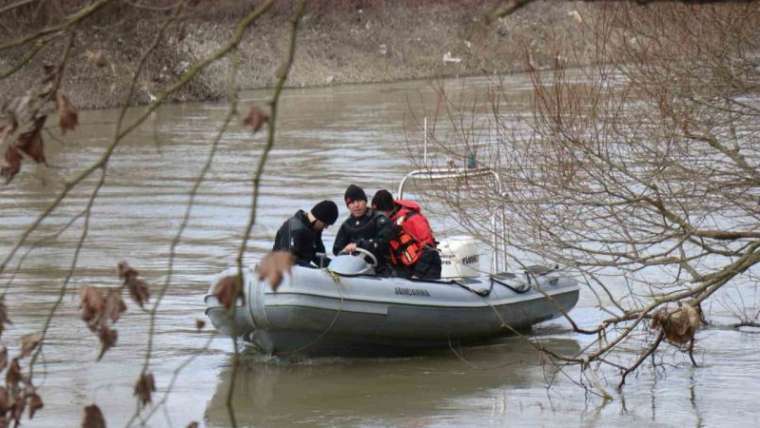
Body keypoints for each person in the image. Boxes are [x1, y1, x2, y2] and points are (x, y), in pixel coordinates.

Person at [371, 189, 441, 280]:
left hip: (427, 267)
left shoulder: (414, 219)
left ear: (388, 210)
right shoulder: (386, 224)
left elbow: (429, 249)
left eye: (380, 214)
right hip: (405, 268)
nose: (379, 218)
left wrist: (417, 275)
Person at [332, 184, 394, 272]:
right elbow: (337, 249)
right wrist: (346, 250)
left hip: (379, 268)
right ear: (348, 206)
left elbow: (384, 241)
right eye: (352, 203)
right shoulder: (346, 225)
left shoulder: (379, 220)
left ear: (365, 201)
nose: (356, 205)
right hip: (351, 268)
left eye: (359, 201)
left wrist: (359, 245)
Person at [272, 200, 339, 268]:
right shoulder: (294, 227)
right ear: (318, 218)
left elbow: (318, 256)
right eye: (325, 224)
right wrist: (314, 270)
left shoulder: (314, 230)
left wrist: (335, 266)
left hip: (302, 271)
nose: (326, 227)